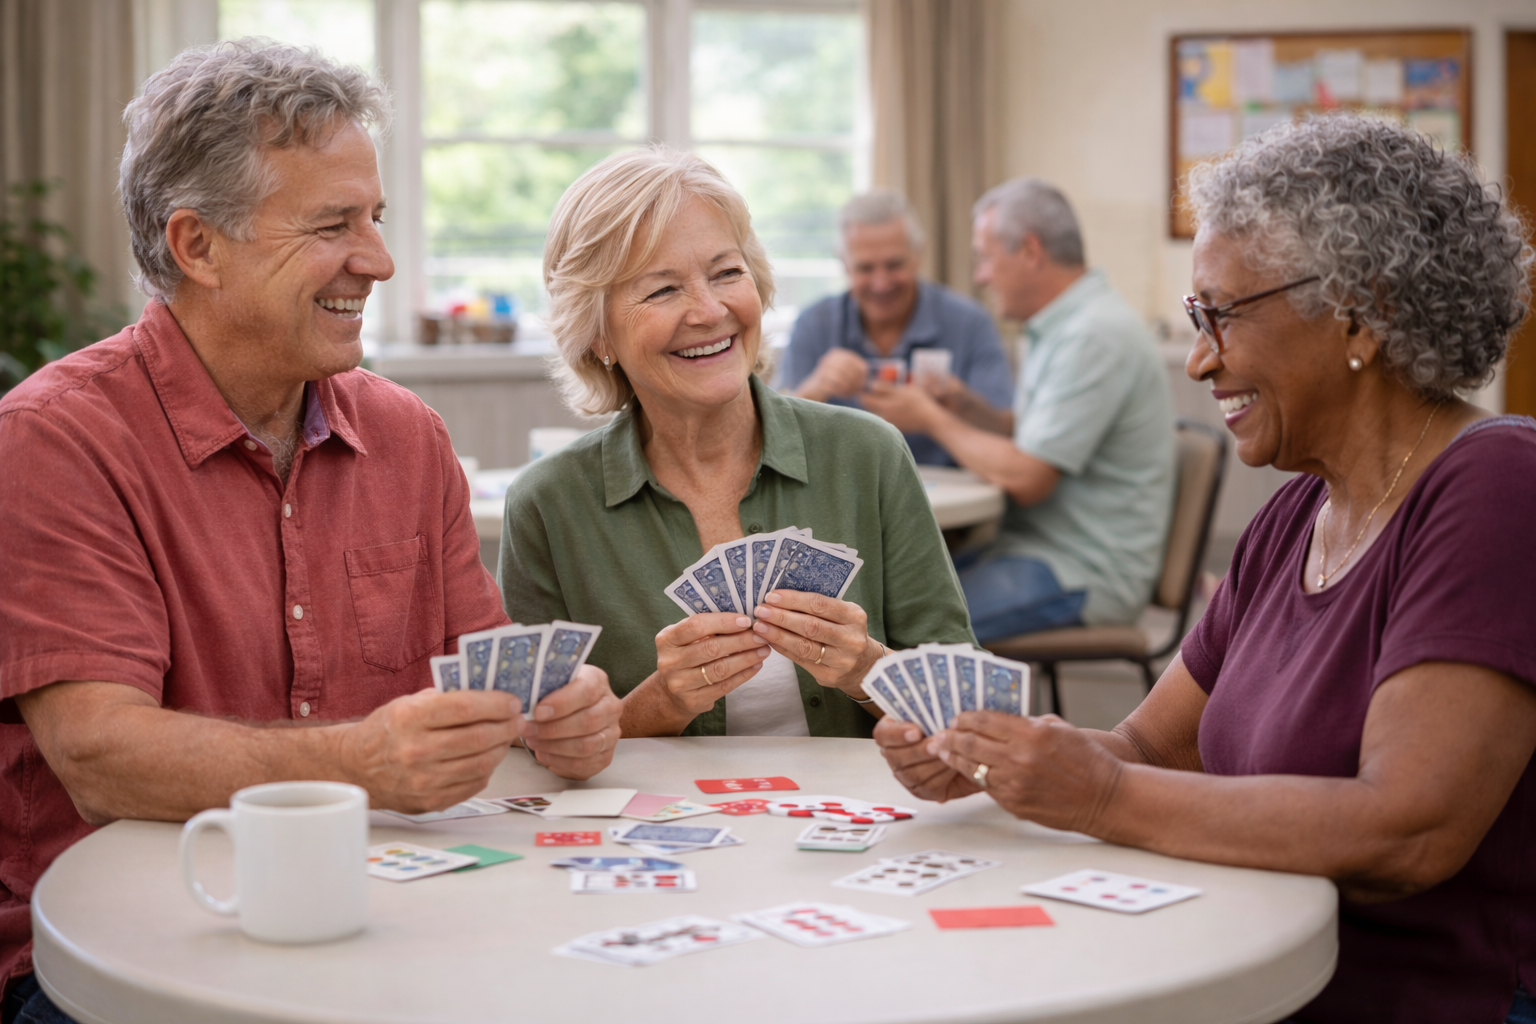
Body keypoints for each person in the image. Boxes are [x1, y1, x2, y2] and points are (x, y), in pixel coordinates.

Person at [0, 41, 621, 1022]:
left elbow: (493, 670)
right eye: (334, 225)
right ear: (198, 246)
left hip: (389, 918)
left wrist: (562, 705)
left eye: (375, 219)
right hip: (124, 955)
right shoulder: (55, 439)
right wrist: (358, 763)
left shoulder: (408, 435)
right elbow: (99, 755)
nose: (376, 260)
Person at [875, 115, 1536, 1024]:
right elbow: (1146, 748)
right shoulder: (1295, 515)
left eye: (1221, 314)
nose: (1198, 360)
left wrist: (1101, 795)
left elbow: (1407, 831)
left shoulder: (1498, 483)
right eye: (1197, 319)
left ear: (1358, 310)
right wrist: (1000, 765)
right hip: (1254, 973)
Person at [499, 149, 976, 739]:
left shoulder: (868, 455)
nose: (710, 310)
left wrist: (865, 670)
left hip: (867, 818)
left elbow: (967, 710)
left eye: (727, 273)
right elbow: (538, 742)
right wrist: (661, 702)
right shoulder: (547, 505)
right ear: (598, 333)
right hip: (644, 828)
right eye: (663, 289)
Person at [862, 178, 1175, 641]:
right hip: (1032, 549)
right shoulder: (1061, 325)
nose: (981, 276)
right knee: (888, 597)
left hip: (1082, 569)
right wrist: (965, 406)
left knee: (907, 627)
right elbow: (1034, 436)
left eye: (985, 257)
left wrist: (931, 418)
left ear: (1030, 250)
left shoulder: (1093, 335)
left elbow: (1030, 477)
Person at [780, 190, 1014, 466]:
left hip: (953, 498)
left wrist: (959, 403)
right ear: (844, 264)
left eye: (894, 265)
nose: (881, 283)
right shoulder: (814, 324)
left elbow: (1006, 431)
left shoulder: (968, 322)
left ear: (918, 255)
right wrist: (814, 388)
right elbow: (775, 438)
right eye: (865, 268)